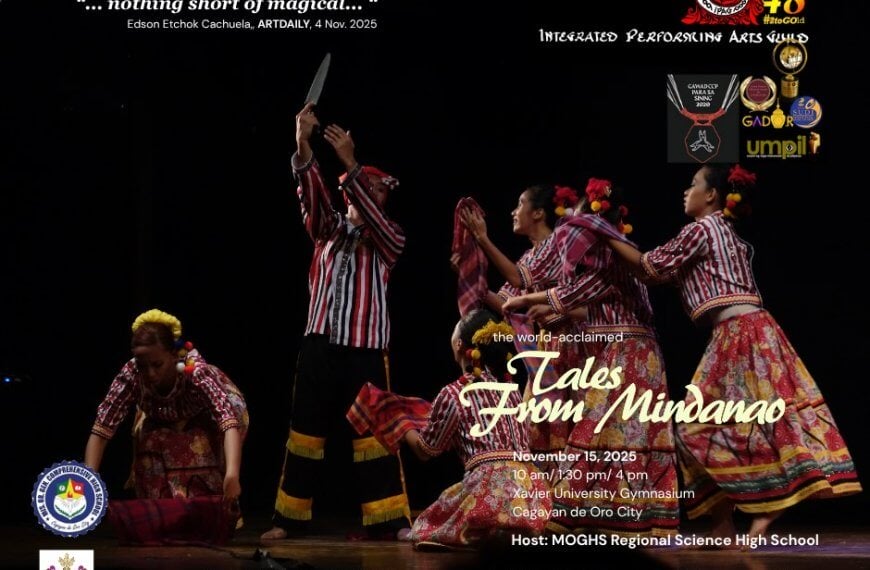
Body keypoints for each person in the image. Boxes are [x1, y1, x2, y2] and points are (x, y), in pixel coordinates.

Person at [607, 164, 862, 539]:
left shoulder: (702, 229)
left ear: (712, 195)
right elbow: (655, 274)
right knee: (713, 426)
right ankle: (725, 523)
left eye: (693, 184)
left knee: (703, 426)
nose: (686, 191)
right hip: (743, 331)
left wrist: (601, 232)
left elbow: (650, 265)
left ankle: (766, 506)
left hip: (742, 332)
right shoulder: (721, 232)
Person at [262, 103, 410, 540]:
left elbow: (376, 219)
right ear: (350, 194)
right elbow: (313, 198)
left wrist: (350, 162)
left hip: (365, 348)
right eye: (367, 189)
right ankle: (289, 519)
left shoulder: (389, 238)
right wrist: (303, 145)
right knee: (304, 432)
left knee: (375, 435)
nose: (373, 195)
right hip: (320, 345)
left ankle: (389, 521)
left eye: (378, 190)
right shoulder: (328, 231)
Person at [502, 178, 680, 536]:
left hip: (630, 353)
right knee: (615, 435)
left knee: (610, 432)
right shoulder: (608, 259)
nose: (571, 227)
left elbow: (575, 293)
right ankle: (607, 519)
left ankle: (604, 517)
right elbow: (576, 291)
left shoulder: (614, 257)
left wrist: (525, 299)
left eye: (577, 219)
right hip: (623, 352)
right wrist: (531, 301)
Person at [455, 186, 587, 463]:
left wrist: (482, 238)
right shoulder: (531, 256)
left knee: (574, 425)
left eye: (520, 204)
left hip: (573, 345)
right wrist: (470, 275)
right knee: (538, 428)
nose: (513, 212)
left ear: (538, 213)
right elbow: (506, 301)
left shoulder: (558, 244)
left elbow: (519, 280)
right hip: (546, 349)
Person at [402, 308, 552, 548]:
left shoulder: (454, 393)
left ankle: (492, 527)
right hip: (531, 492)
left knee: (429, 521)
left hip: (490, 489)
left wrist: (401, 423)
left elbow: (426, 450)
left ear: (459, 344)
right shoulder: (512, 392)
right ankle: (512, 528)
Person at [85, 308, 247, 507]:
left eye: (157, 365)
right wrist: (88, 480)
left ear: (173, 355)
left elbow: (228, 422)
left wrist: (232, 474)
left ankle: (203, 509)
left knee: (197, 449)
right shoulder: (132, 374)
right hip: (161, 415)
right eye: (143, 366)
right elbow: (101, 429)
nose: (150, 373)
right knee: (149, 450)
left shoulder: (194, 371)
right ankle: (163, 512)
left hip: (207, 417)